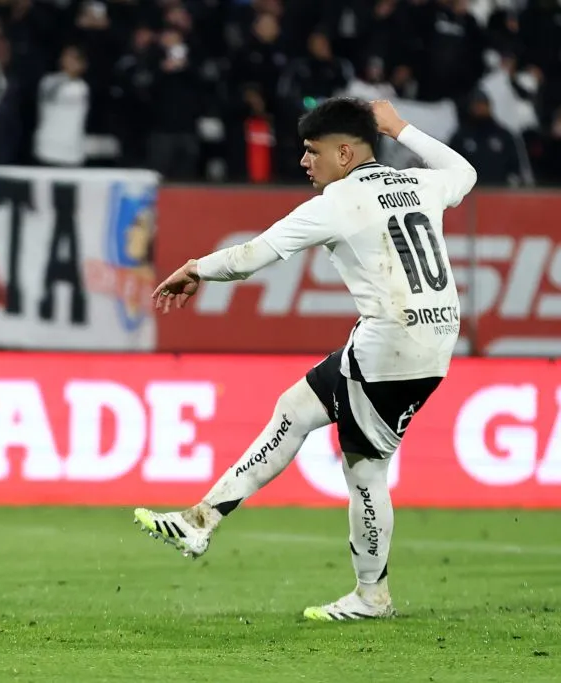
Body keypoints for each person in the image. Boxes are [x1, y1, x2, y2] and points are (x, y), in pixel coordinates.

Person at [133, 99, 477, 622]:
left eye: (312, 152)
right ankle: (202, 518)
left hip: (390, 345)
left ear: (345, 152)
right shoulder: (420, 184)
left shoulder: (337, 202)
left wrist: (195, 267)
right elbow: (466, 172)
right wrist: (398, 126)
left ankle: (371, 597)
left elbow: (252, 256)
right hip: (428, 336)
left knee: (366, 470)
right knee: (294, 408)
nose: (304, 162)